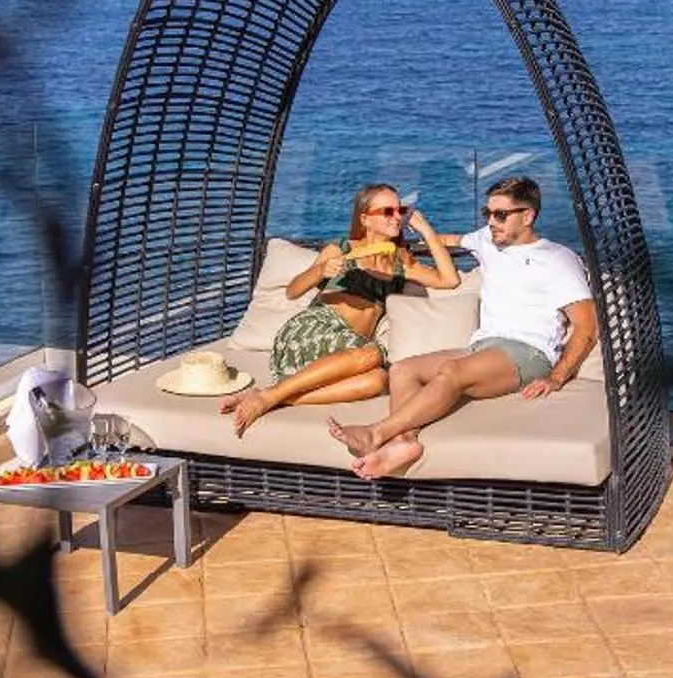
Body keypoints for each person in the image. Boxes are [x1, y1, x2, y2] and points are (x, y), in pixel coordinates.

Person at [329, 174, 597, 479]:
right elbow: (450, 242)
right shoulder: (487, 239)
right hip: (483, 347)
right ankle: (404, 443)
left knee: (452, 372)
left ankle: (376, 434)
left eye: (500, 215)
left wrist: (558, 377)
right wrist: (398, 237)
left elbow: (586, 326)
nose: (491, 221)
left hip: (528, 352)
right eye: (487, 213)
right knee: (402, 369)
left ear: (528, 216)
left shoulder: (558, 259)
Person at [216, 183, 460, 436]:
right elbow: (293, 290)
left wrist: (425, 229)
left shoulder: (400, 261)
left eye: (401, 210)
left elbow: (449, 280)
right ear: (365, 218)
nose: (397, 217)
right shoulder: (342, 249)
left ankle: (273, 396)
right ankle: (271, 397)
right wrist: (320, 271)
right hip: (314, 329)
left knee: (377, 380)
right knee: (374, 355)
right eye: (388, 211)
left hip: (349, 349)